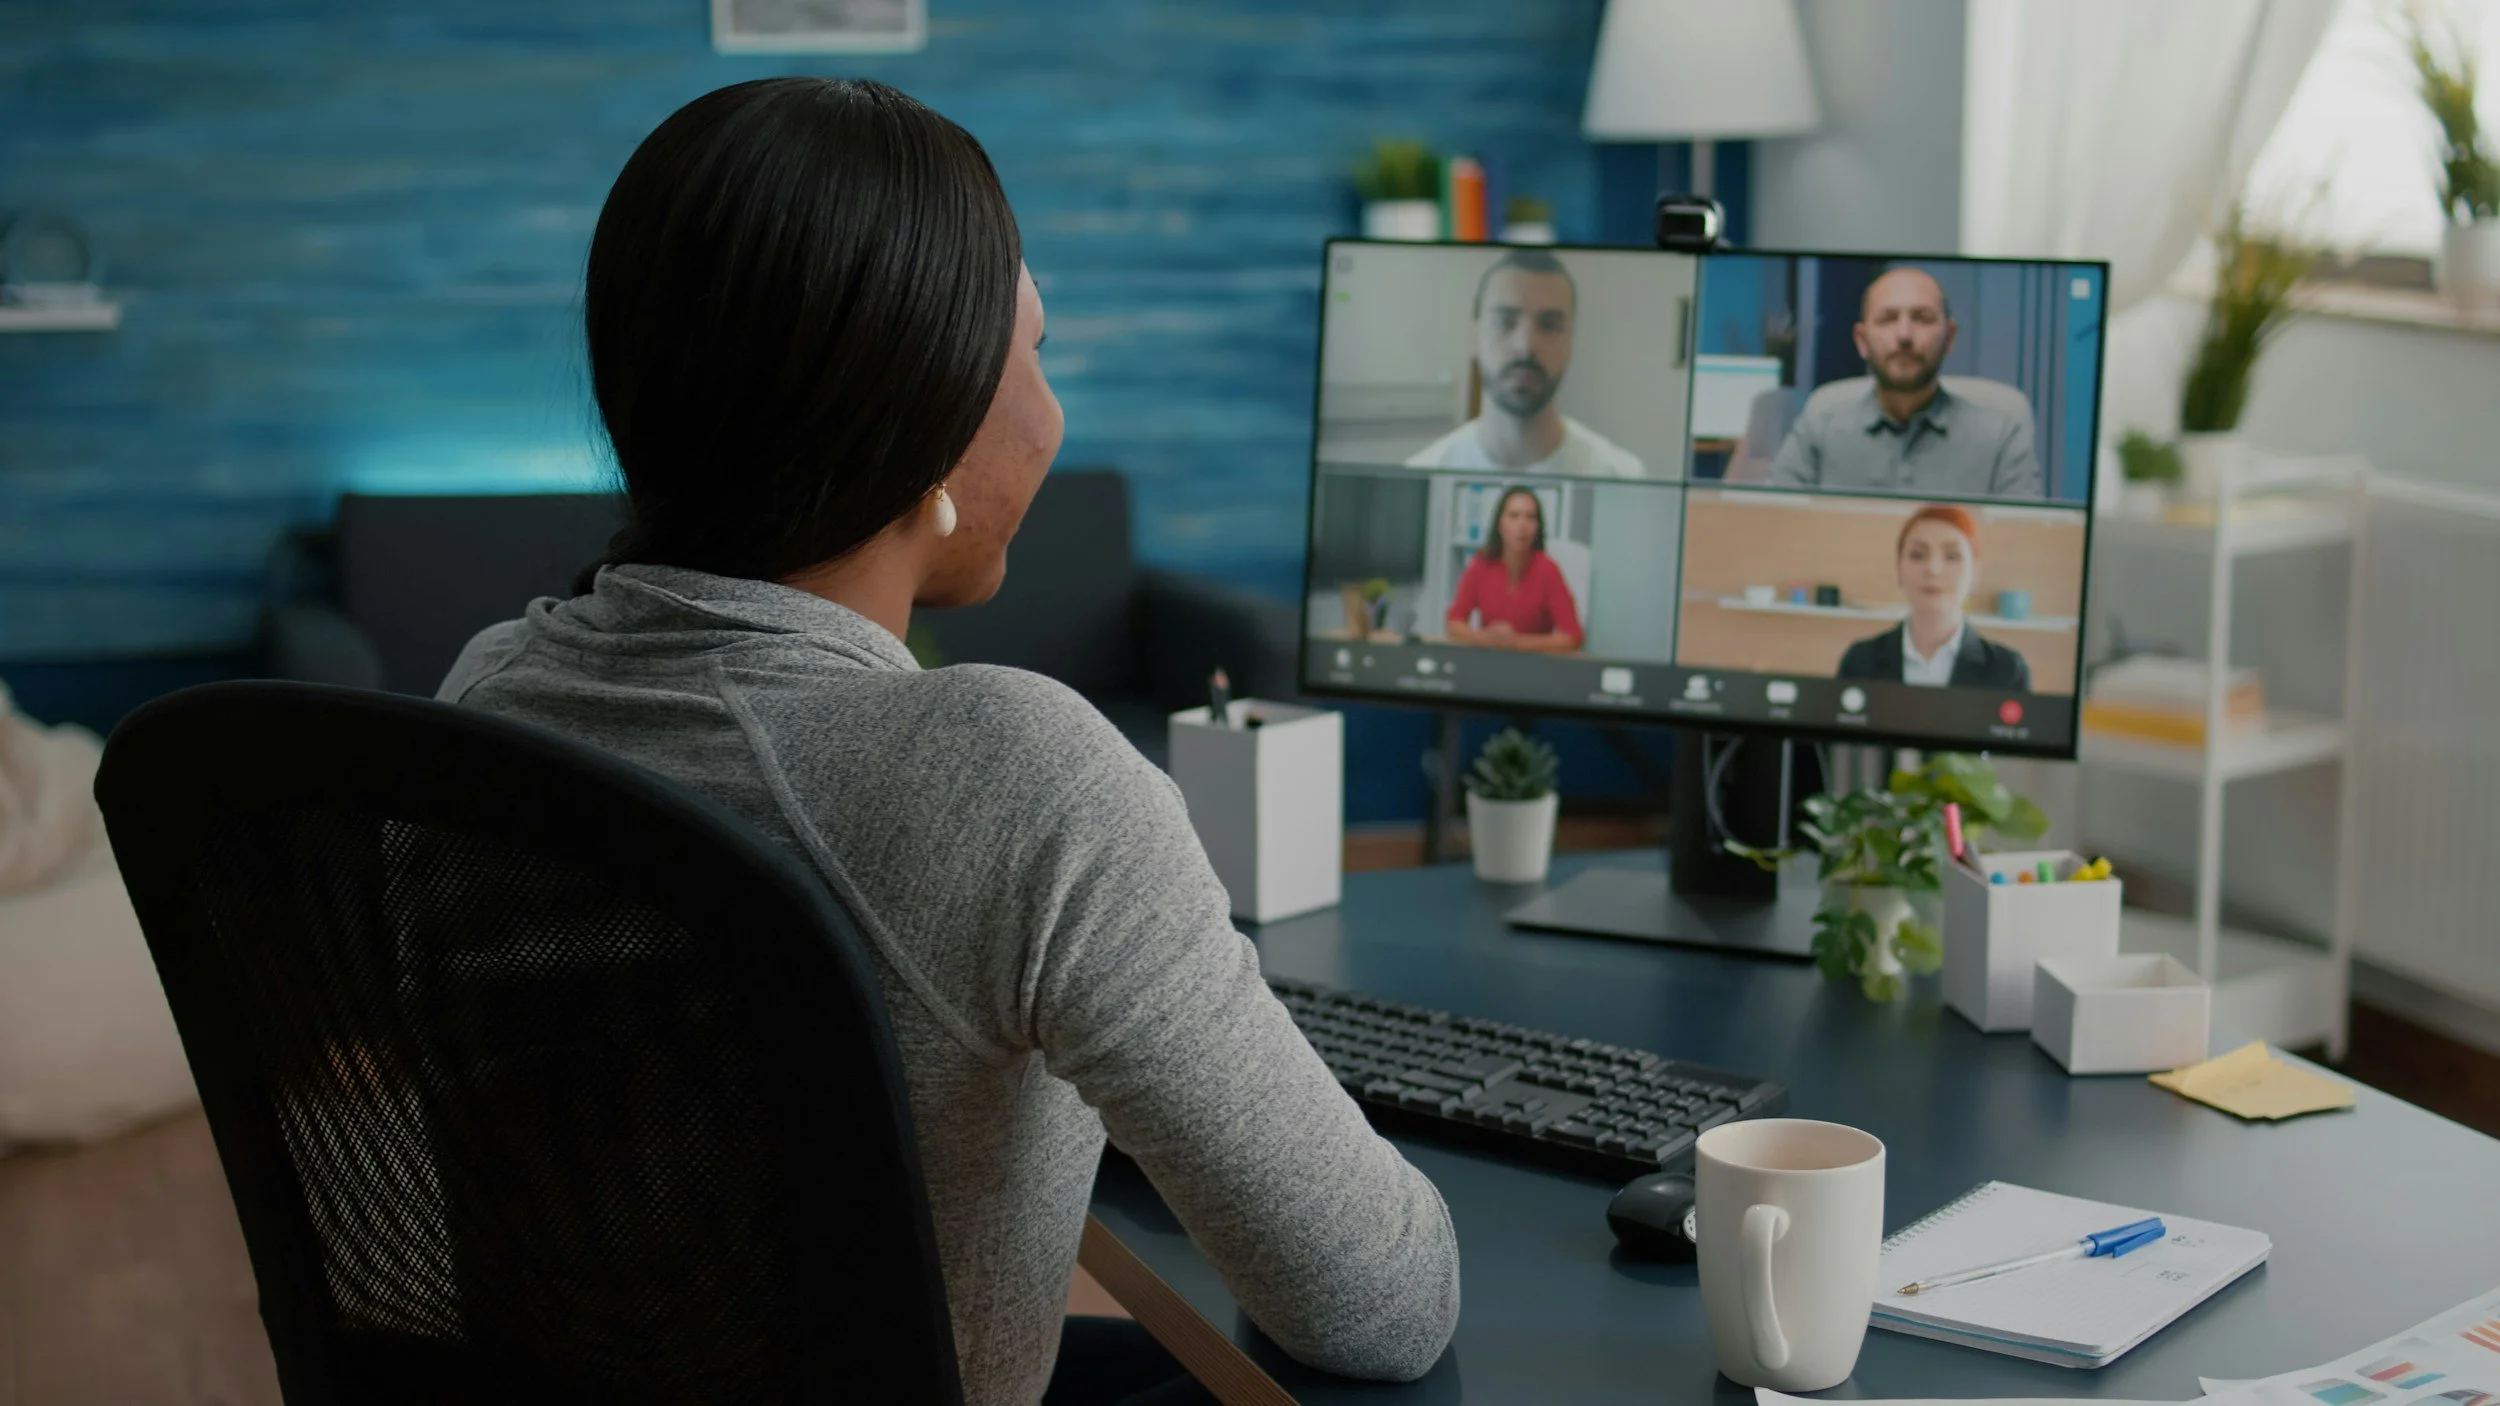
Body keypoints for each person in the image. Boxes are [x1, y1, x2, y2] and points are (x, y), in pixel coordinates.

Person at [437, 79, 1457, 1406]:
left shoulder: (488, 692)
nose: (1054, 414)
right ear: (921, 416)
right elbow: (1381, 1305)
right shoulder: (1009, 771)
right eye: (1034, 352)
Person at [1768, 267, 2042, 498]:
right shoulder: (1820, 425)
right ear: (1862, 341)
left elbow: (2027, 543)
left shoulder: (2001, 436)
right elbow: (1772, 523)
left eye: (1922, 318)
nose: (1904, 335)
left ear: (1950, 337)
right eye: (1888, 319)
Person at [1404, 249, 1647, 478]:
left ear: (1570, 343)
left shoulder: (1622, 475)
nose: (1526, 345)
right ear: (1474, 337)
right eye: (1505, 321)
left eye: (1550, 325)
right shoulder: (1423, 474)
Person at [1836, 503, 2032, 690]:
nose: (1933, 569)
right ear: (1899, 568)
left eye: (1952, 556)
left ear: (1975, 571)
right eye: (1918, 555)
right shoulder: (1859, 661)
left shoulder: (2008, 671)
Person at [1444, 487, 1583, 653]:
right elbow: (1454, 623)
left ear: (1537, 527)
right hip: (1488, 661)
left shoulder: (1547, 569)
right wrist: (1486, 638)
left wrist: (1516, 643)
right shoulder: (1482, 564)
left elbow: (1572, 637)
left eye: (1530, 517)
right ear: (1500, 523)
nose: (1522, 525)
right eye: (1514, 516)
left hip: (1534, 667)